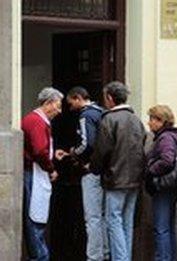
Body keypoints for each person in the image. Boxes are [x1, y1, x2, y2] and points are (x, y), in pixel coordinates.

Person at [90, 81, 146, 261]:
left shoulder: (110, 119)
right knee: (127, 222)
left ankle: (121, 259)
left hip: (115, 178)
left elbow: (102, 150)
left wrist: (95, 168)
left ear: (109, 98)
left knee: (113, 221)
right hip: (135, 179)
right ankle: (125, 257)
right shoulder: (136, 120)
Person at [55, 86, 108, 261]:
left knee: (92, 218)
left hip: (91, 170)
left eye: (71, 104)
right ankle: (106, 254)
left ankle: (94, 257)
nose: (70, 109)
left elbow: (87, 144)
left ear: (78, 98)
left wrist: (74, 154)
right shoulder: (102, 112)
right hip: (105, 170)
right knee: (104, 216)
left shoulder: (86, 115)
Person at [22, 87, 63, 260]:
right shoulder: (37, 122)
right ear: (48, 103)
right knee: (34, 218)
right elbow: (39, 150)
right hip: (32, 173)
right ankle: (40, 256)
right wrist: (51, 168)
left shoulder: (35, 120)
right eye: (58, 106)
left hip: (34, 171)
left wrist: (52, 154)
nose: (59, 111)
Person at [145, 105, 177, 261]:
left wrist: (150, 169)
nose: (149, 123)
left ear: (161, 121)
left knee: (161, 228)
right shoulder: (172, 136)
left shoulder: (165, 138)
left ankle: (163, 258)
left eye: (152, 119)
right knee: (168, 227)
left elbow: (167, 160)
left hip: (163, 187)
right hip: (171, 186)